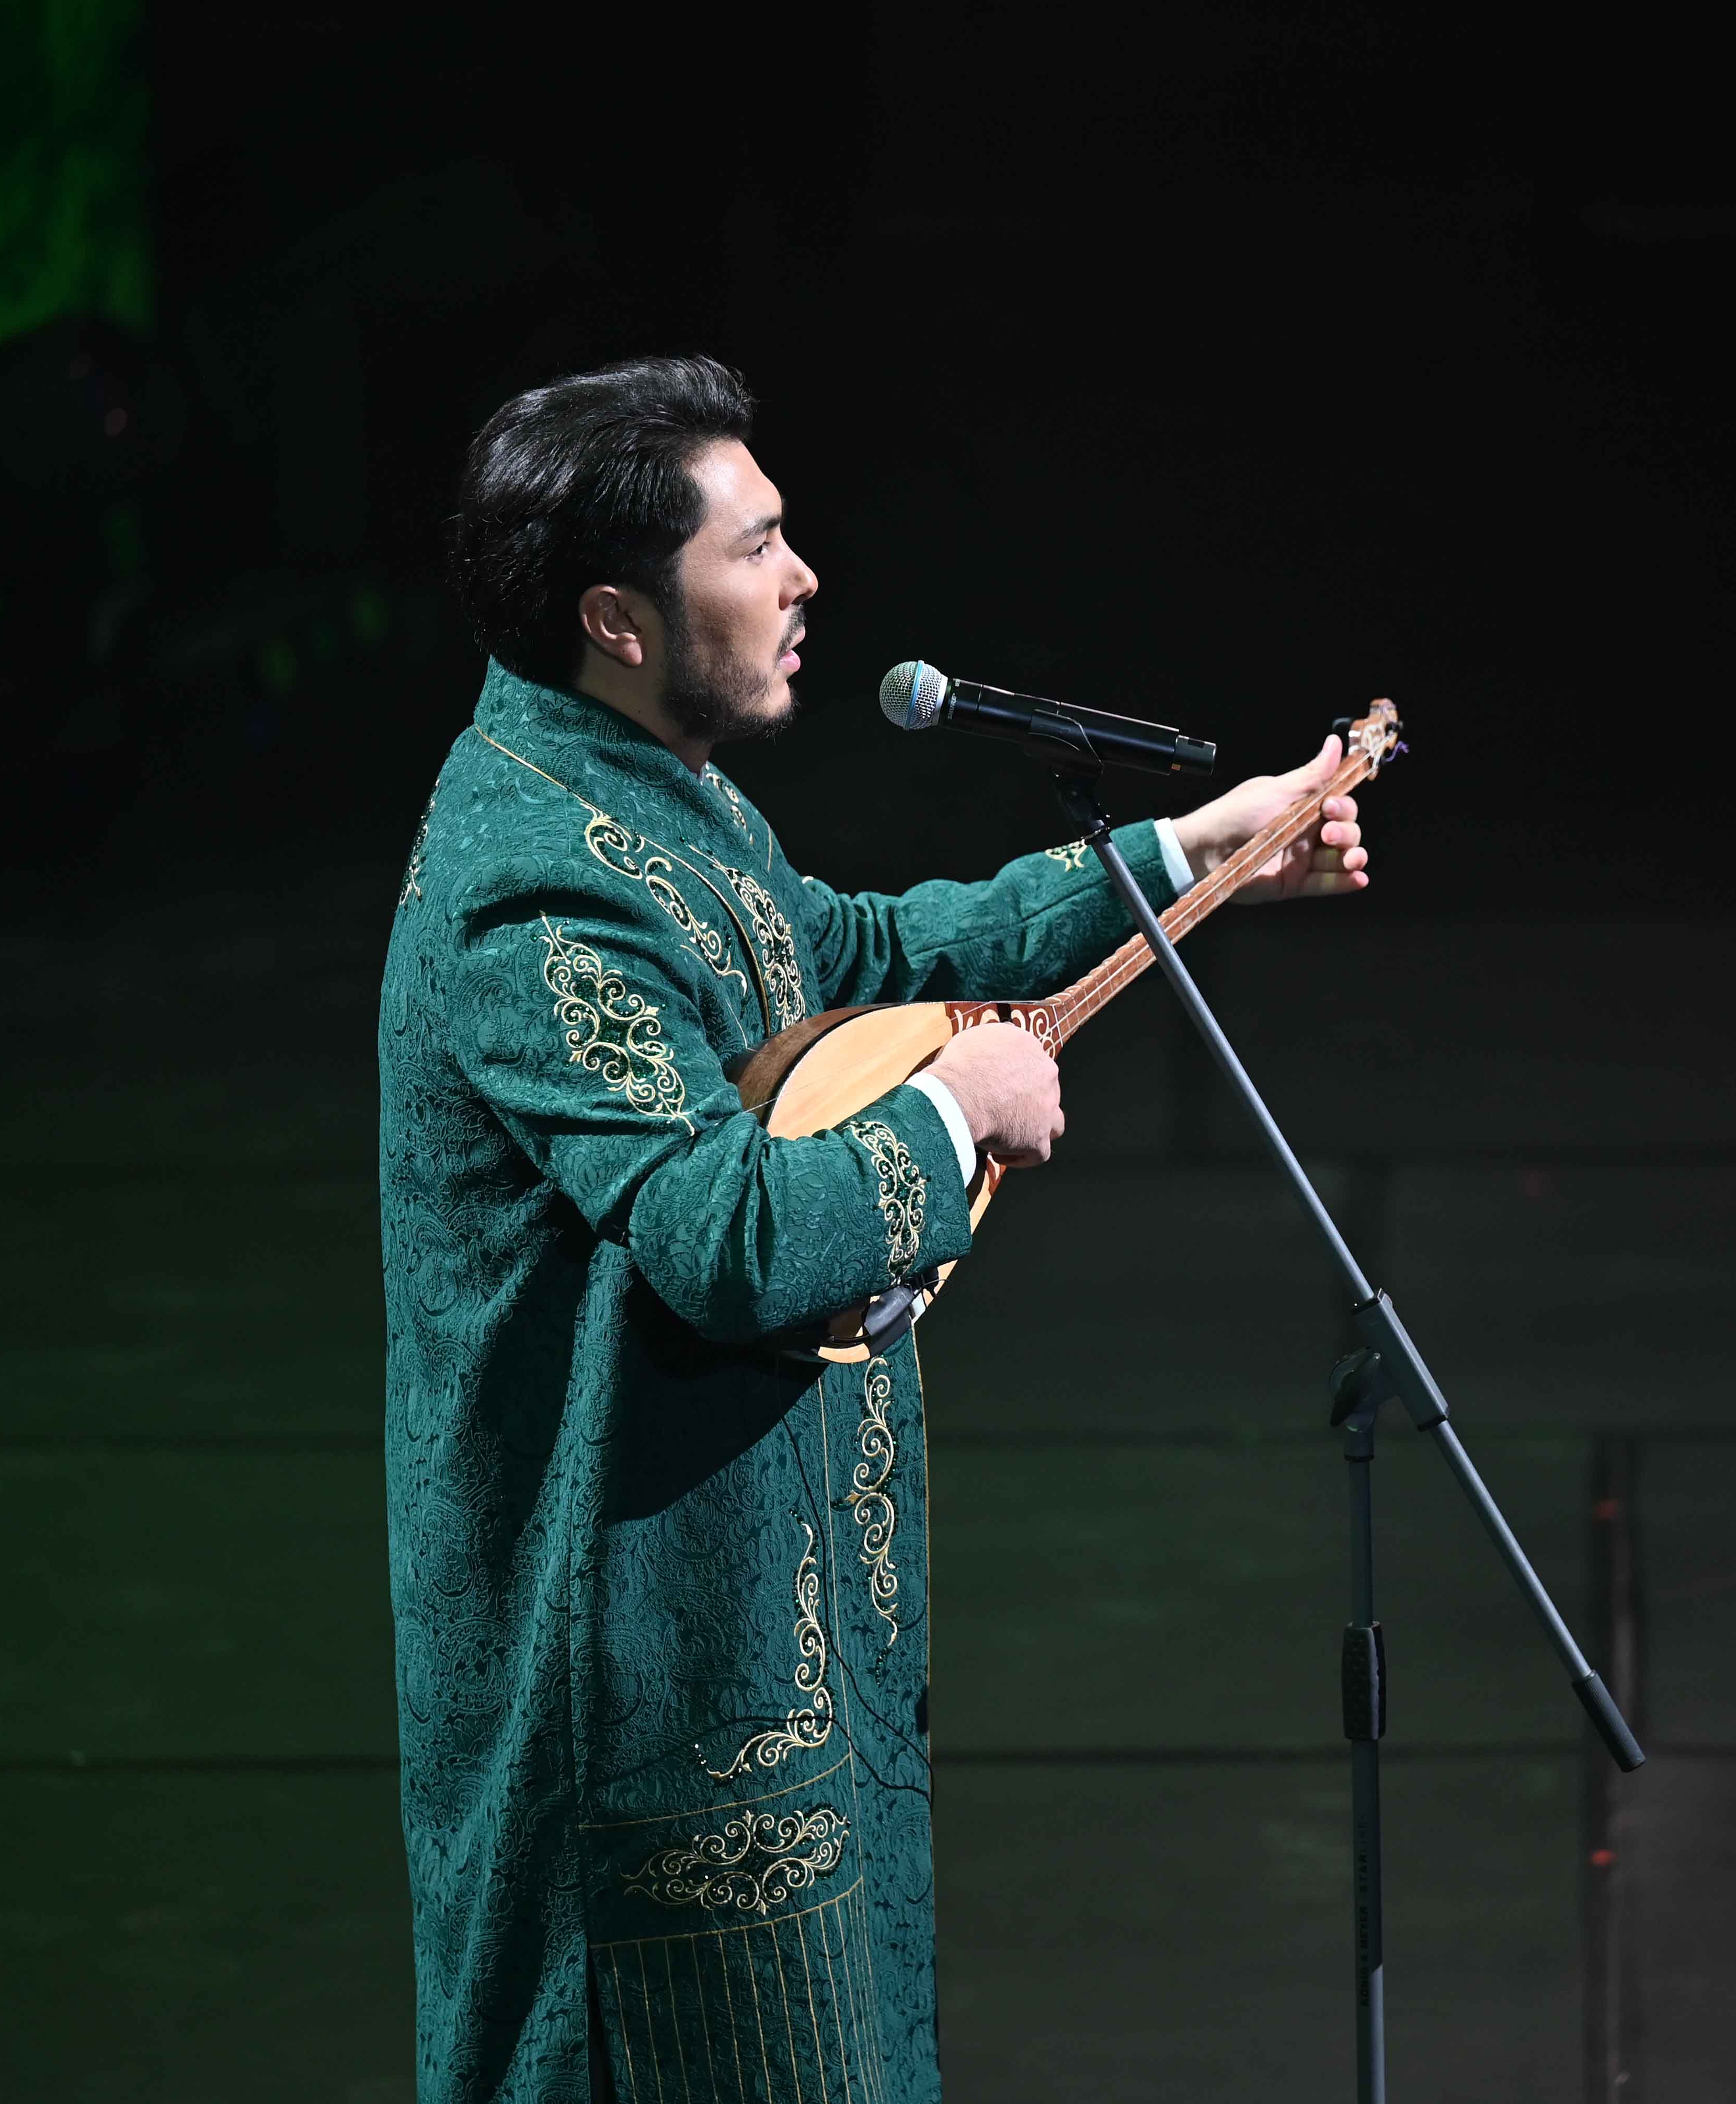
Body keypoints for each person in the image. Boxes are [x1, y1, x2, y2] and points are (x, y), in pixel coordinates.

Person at [380, 355, 1368, 2103]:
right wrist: (955, 1111)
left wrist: (1181, 858)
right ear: (616, 617)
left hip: (762, 1634)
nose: (804, 577)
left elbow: (849, 966)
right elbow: (720, 1231)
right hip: (645, 1693)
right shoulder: (536, 889)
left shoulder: (646, 791)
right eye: (754, 546)